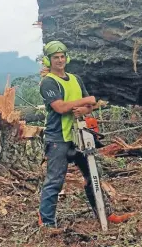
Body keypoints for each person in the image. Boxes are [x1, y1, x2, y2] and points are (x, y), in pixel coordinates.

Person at [38, 41, 99, 228]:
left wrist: (84, 109)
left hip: (80, 134)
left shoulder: (75, 79)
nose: (60, 60)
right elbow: (61, 107)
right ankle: (46, 222)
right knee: (55, 180)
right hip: (58, 138)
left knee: (93, 175)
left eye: (62, 56)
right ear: (49, 60)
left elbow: (91, 105)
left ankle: (105, 213)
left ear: (67, 58)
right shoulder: (48, 82)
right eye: (55, 57)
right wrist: (85, 101)